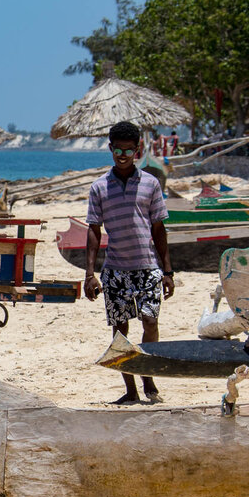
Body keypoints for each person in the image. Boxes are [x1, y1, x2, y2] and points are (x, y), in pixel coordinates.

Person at [84, 121, 174, 405]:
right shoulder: (99, 188)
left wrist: (168, 271)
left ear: (138, 150)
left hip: (148, 269)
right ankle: (131, 389)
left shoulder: (151, 183)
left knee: (150, 322)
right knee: (120, 330)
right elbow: (93, 231)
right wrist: (89, 274)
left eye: (129, 150)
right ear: (110, 149)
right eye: (118, 150)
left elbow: (159, 229)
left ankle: (149, 380)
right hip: (114, 272)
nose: (123, 155)